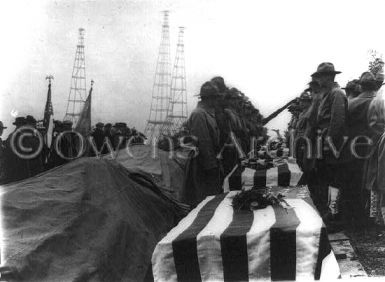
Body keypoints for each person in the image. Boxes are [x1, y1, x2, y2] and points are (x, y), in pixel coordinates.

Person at [311, 62, 348, 229]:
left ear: (328, 77)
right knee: (327, 180)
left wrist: (329, 145)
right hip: (324, 143)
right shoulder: (327, 94)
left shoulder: (337, 94)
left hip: (332, 146)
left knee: (334, 181)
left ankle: (334, 217)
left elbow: (337, 123)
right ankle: (329, 215)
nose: (318, 80)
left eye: (320, 77)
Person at [345, 72, 378, 228]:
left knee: (355, 181)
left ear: (361, 85)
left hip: (354, 148)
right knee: (374, 182)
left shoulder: (351, 104)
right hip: (378, 147)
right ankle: (372, 215)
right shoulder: (381, 102)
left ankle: (357, 216)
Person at [183, 81, 222, 206]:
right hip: (203, 165)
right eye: (215, 98)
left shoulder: (207, 114)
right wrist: (211, 167)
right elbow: (204, 142)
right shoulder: (199, 114)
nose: (217, 101)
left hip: (210, 162)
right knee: (204, 200)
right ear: (209, 99)